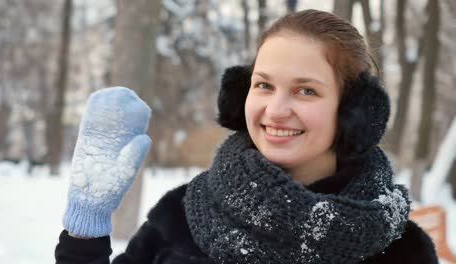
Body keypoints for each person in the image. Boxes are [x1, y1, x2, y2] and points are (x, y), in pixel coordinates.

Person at [55, 9, 438, 264]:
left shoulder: (400, 250)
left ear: (356, 111)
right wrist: (84, 232)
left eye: (306, 90)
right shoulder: (181, 216)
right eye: (264, 85)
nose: (275, 110)